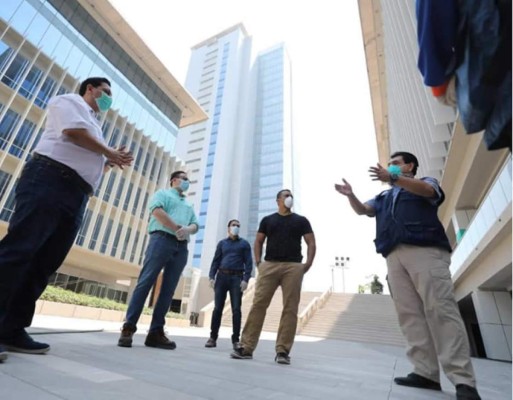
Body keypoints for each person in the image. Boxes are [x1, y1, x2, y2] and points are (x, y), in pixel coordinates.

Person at [0, 77, 133, 358]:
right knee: (19, 252)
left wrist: (106, 162)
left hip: (76, 194)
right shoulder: (71, 102)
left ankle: (12, 329)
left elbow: (89, 159)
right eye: (106, 92)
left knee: (43, 264)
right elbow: (72, 132)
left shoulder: (96, 126)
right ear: (90, 89)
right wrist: (107, 151)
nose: (108, 98)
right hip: (50, 179)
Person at [334, 151, 481, 400]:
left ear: (409, 166)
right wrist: (351, 196)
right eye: (389, 165)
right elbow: (363, 210)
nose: (391, 167)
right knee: (410, 315)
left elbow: (429, 192)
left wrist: (393, 178)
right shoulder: (383, 195)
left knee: (441, 310)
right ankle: (425, 373)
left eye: (396, 164)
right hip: (393, 255)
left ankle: (463, 380)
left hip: (425, 251)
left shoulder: (425, 182)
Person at [230, 189, 316, 365]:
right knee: (258, 304)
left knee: (290, 308)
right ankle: (246, 347)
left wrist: (307, 264)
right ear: (278, 200)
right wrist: (258, 262)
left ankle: (283, 351)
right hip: (269, 265)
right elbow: (259, 241)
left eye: (291, 195)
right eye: (285, 195)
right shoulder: (268, 220)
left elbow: (311, 242)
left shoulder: (301, 221)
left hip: (293, 267)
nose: (289, 197)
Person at [118, 170, 198, 350]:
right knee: (145, 282)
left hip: (181, 247)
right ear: (174, 180)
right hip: (161, 239)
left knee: (168, 290)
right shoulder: (163, 194)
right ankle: (128, 328)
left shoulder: (188, 205)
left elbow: (195, 224)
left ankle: (155, 332)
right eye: (184, 179)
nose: (187, 182)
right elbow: (156, 211)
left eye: (188, 180)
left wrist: (187, 230)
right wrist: (176, 227)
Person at [205, 219, 252, 350]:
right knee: (217, 309)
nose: (236, 227)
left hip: (237, 278)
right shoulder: (222, 243)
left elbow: (248, 263)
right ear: (228, 228)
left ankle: (236, 340)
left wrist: (246, 279)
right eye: (233, 225)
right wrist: (211, 277)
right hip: (221, 277)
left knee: (236, 309)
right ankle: (212, 338)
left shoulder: (244, 244)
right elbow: (215, 261)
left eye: (238, 225)